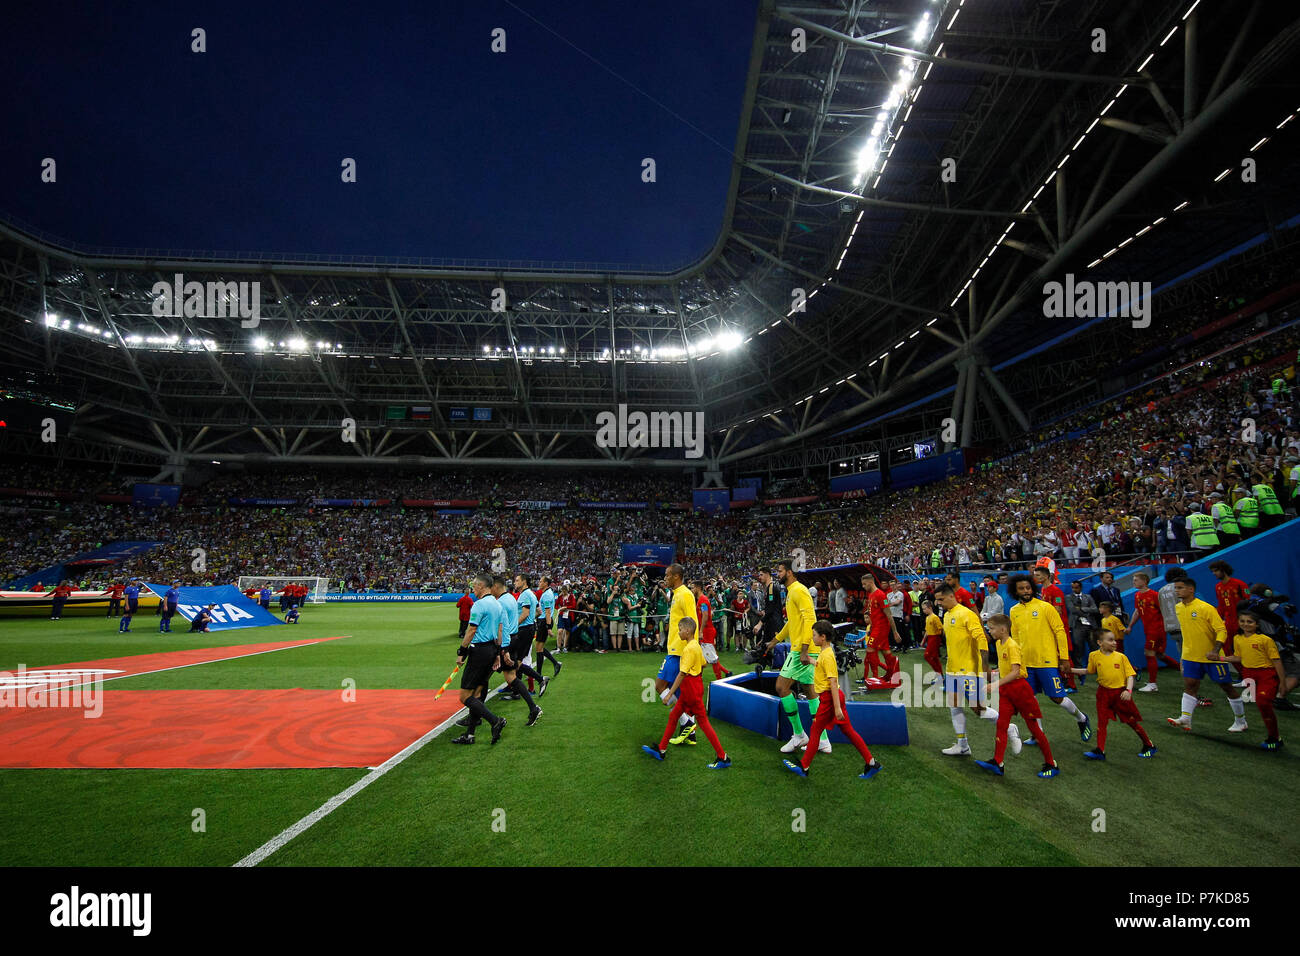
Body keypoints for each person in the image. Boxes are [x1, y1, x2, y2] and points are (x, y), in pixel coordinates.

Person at [782, 621, 882, 779]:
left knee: (815, 731)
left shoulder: (827, 655)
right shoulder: (825, 652)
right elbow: (822, 667)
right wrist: (812, 661)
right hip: (833, 698)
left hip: (830, 699)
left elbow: (833, 682)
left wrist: (836, 708)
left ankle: (804, 766)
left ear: (822, 637)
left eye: (814, 635)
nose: (812, 638)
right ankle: (871, 763)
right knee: (848, 731)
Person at [973, 614, 1059, 779]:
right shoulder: (999, 644)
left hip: (1020, 690)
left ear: (1003, 629)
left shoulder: (1012, 646)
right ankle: (998, 763)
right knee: (1001, 724)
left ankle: (1051, 763)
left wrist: (996, 683)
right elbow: (1007, 667)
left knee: (1034, 728)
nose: (989, 632)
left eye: (991, 628)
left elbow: (1016, 671)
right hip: (1007, 691)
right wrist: (998, 672)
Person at [641, 618, 730, 769]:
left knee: (703, 723)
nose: (679, 632)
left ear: (687, 631)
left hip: (690, 691)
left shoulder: (689, 649)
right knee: (674, 716)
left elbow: (682, 674)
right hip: (694, 688)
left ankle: (723, 757)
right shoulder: (695, 645)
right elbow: (703, 663)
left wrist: (669, 695)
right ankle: (662, 750)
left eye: (680, 629)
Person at [1166, 577, 1248, 733]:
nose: (1177, 591)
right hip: (1191, 656)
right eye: (1175, 588)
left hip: (1212, 658)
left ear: (1191, 589)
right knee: (1190, 685)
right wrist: (1183, 657)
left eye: (1180, 587)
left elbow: (1221, 630)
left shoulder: (1206, 608)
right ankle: (1185, 719)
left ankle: (1241, 721)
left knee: (1227, 687)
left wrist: (1215, 651)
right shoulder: (1178, 608)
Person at [768, 561, 828, 755]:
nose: (777, 574)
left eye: (779, 571)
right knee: (810, 691)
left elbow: (810, 620)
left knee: (781, 687)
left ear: (789, 572)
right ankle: (823, 740)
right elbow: (792, 622)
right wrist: (775, 641)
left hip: (804, 649)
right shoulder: (791, 591)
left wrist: (802, 649)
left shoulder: (798, 590)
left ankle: (799, 734)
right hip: (805, 648)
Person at [1071, 628, 1157, 760]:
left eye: (1114, 640)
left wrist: (1128, 691)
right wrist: (1071, 670)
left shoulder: (1121, 657)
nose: (1114, 643)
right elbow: (1089, 671)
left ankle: (1149, 744)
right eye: (1110, 640)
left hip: (1120, 694)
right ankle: (1100, 750)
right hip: (1103, 694)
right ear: (1100, 642)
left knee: (1131, 722)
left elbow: (1130, 676)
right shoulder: (1093, 656)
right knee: (1102, 722)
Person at [935, 583, 999, 757]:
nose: (939, 603)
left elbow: (982, 639)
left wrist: (985, 666)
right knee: (954, 706)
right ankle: (962, 745)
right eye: (937, 600)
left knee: (978, 710)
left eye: (941, 599)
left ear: (951, 596)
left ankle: (1007, 726)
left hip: (969, 670)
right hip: (952, 669)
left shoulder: (967, 614)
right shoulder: (947, 616)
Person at [452, 572, 507, 746]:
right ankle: (469, 735)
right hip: (491, 649)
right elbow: (499, 631)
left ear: (481, 586)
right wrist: (497, 653)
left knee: (465, 696)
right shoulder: (497, 605)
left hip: (479, 651)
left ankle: (495, 720)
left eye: (474, 585)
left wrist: (462, 651)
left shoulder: (479, 605)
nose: (473, 588)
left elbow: (472, 630)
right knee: (477, 694)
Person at [1224, 609, 1285, 751]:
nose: (1246, 624)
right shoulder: (1237, 638)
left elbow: (1276, 661)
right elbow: (1238, 657)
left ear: (1257, 625)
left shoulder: (1265, 640)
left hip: (1266, 674)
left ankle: (1274, 738)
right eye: (1242, 621)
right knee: (1258, 704)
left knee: (1263, 702)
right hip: (1249, 674)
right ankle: (1274, 736)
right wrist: (1221, 658)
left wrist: (1282, 682)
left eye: (1249, 622)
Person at [656, 563, 699, 744]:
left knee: (659, 686)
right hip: (676, 648)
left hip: (679, 651)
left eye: (667, 575)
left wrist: (692, 650)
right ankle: (690, 734)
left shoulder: (685, 595)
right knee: (682, 695)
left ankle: (687, 722)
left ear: (676, 576)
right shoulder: (676, 594)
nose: (665, 578)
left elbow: (693, 622)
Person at [494, 575, 545, 718]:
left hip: (521, 630)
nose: (515, 582)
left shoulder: (525, 595)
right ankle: (520, 689)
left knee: (516, 663)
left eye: (517, 580)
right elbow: (538, 611)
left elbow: (526, 613)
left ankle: (537, 681)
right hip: (524, 629)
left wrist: (513, 627)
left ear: (524, 581)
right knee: (514, 664)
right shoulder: (527, 594)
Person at [1130, 572, 1180, 692]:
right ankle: (1183, 670)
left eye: (1136, 580)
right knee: (1159, 655)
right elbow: (1137, 611)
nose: (1134, 582)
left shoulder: (1155, 595)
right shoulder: (1137, 595)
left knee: (1149, 653)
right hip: (1148, 629)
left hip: (1156, 629)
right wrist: (1130, 626)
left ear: (1144, 581)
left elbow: (1164, 611)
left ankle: (1153, 684)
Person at [861, 572, 901, 683]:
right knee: (885, 651)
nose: (863, 587)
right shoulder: (871, 595)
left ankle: (875, 677)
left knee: (870, 649)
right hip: (875, 628)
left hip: (881, 628)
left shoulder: (881, 595)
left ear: (870, 582)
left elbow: (888, 614)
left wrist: (895, 632)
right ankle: (891, 675)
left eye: (864, 584)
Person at [691, 581, 731, 680]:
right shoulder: (701, 599)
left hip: (707, 632)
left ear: (697, 588)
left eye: (692, 588)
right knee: (705, 655)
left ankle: (720, 680)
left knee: (711, 657)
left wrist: (700, 631)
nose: (691, 590)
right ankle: (726, 672)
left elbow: (705, 616)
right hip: (705, 631)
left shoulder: (703, 600)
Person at [534, 575, 562, 676]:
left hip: (544, 622)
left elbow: (547, 612)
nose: (539, 583)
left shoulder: (546, 595)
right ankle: (555, 664)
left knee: (539, 648)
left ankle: (538, 674)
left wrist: (548, 627)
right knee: (539, 647)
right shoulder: (547, 593)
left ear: (546, 583)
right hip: (543, 621)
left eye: (541, 581)